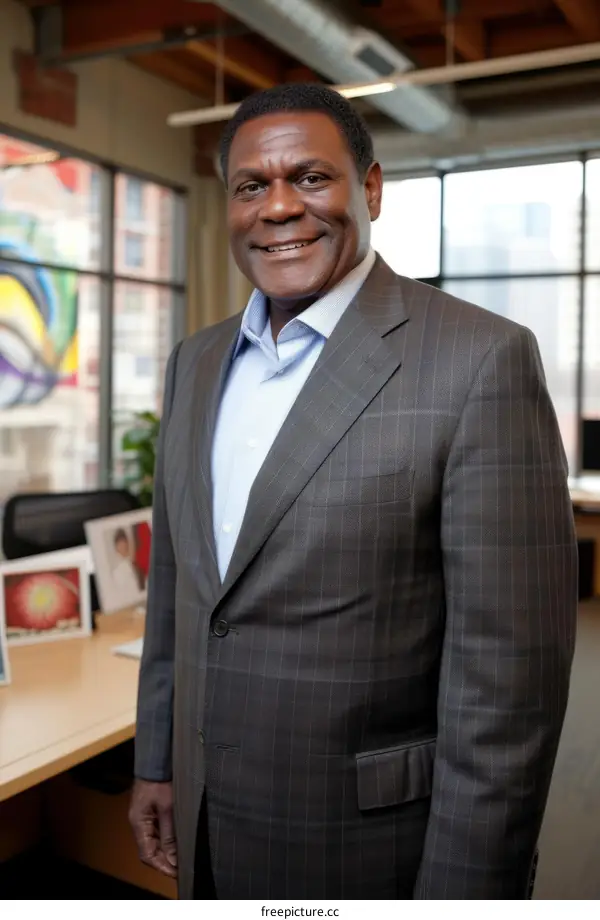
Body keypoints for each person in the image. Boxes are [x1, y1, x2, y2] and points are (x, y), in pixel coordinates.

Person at [130, 83, 578, 900]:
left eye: (310, 178)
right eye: (251, 186)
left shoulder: (480, 360)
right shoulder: (196, 361)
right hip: (206, 816)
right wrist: (157, 761)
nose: (278, 208)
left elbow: (508, 688)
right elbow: (179, 593)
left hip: (371, 844)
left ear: (370, 190)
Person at [111, 528, 141, 597]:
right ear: (116, 548)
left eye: (124, 543)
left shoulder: (136, 563)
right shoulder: (116, 572)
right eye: (120, 545)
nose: (123, 547)